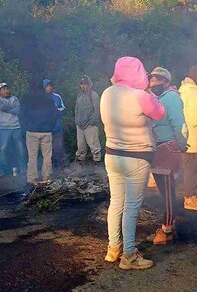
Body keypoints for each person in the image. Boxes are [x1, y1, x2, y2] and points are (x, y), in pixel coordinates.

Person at [101, 57, 165, 269]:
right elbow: (160, 113)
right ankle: (129, 255)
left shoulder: (107, 93)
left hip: (112, 155)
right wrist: (148, 92)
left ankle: (113, 249)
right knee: (131, 206)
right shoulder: (140, 96)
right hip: (136, 157)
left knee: (116, 202)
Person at [149, 67, 187, 245]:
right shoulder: (158, 98)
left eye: (158, 80)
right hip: (159, 148)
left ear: (167, 82)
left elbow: (179, 124)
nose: (154, 83)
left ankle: (167, 230)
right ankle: (170, 224)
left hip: (168, 147)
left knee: (168, 191)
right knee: (165, 190)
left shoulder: (171, 98)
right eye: (152, 80)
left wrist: (180, 145)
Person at [20, 78, 61, 185]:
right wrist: (50, 126)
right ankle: (46, 177)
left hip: (32, 131)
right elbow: (55, 114)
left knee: (32, 156)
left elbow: (22, 113)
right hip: (46, 131)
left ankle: (32, 178)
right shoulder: (47, 98)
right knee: (47, 155)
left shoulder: (26, 97)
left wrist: (26, 126)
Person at [179, 65, 197, 211]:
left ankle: (190, 196)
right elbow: (195, 119)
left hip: (185, 137)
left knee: (189, 168)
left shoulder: (183, 90)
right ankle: (190, 199)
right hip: (193, 138)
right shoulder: (193, 92)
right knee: (193, 169)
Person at [0, 82, 25, 177]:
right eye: (3, 89)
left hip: (16, 127)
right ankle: (1, 170)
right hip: (4, 128)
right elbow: (1, 107)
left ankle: (22, 168)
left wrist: (7, 109)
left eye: (7, 88)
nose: (6, 91)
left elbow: (18, 110)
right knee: (3, 149)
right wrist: (12, 108)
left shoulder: (14, 98)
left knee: (20, 148)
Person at [74, 75, 102, 162]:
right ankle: (80, 165)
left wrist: (91, 122)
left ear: (89, 84)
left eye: (85, 84)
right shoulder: (79, 96)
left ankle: (97, 165)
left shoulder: (93, 95)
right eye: (82, 84)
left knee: (95, 147)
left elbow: (97, 111)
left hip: (90, 125)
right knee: (81, 147)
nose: (83, 86)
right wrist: (77, 121)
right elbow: (76, 110)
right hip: (80, 126)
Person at [44, 79, 68, 168]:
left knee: (58, 147)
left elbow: (63, 108)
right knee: (47, 149)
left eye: (50, 86)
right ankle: (50, 166)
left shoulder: (57, 97)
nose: (49, 87)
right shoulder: (41, 98)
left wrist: (55, 112)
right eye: (47, 86)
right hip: (45, 129)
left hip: (57, 127)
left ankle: (61, 165)